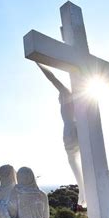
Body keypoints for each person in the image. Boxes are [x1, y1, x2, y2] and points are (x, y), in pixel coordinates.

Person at [36, 62, 87, 208]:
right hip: (78, 128)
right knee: (78, 161)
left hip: (70, 129)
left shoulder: (66, 93)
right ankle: (83, 193)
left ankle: (83, 194)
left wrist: (38, 63)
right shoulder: (79, 99)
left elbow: (52, 78)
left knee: (73, 161)